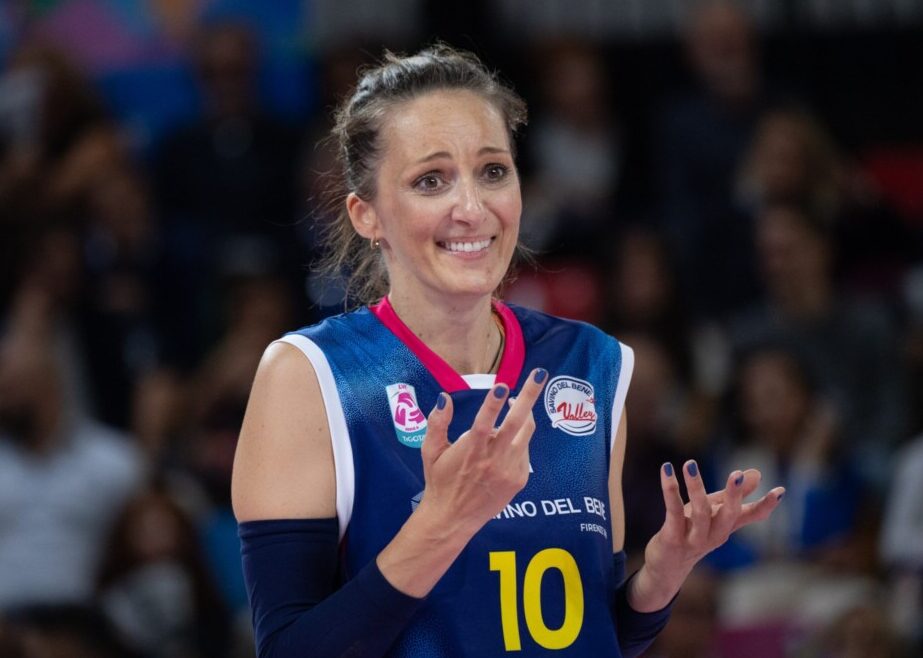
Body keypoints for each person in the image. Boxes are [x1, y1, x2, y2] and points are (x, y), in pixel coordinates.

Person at [231, 45, 785, 657]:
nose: (472, 209)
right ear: (368, 216)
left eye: (493, 171)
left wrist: (659, 576)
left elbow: (592, 634)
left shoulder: (591, 364)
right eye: (431, 180)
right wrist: (442, 524)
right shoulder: (310, 377)